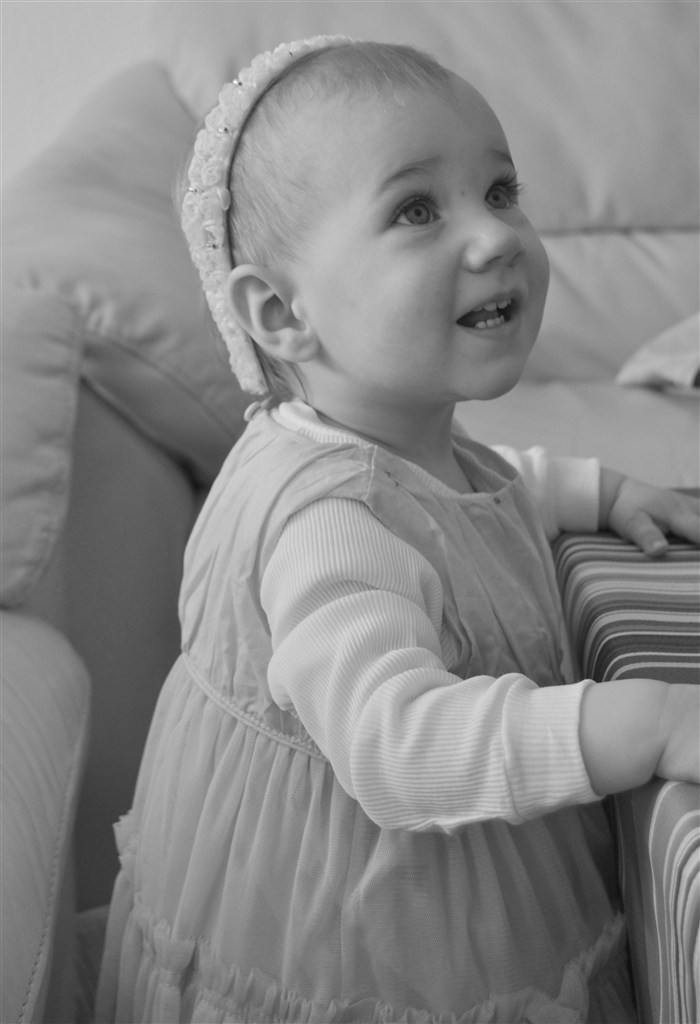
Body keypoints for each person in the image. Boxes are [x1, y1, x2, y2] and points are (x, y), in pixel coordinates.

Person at [96, 36, 700, 1024]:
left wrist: (599, 490)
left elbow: (471, 495)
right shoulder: (329, 521)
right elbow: (397, 743)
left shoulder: (391, 436)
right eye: (417, 209)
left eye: (500, 191)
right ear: (281, 314)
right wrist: (649, 720)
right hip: (372, 934)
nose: (494, 235)